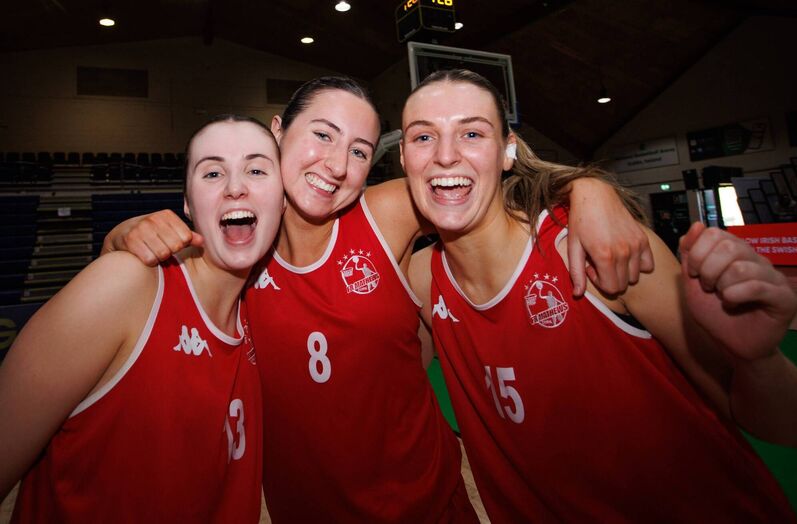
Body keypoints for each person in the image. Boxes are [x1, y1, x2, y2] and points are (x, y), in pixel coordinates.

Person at [103, 76, 655, 522]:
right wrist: (124, 235)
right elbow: (145, 276)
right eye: (321, 135)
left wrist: (589, 189)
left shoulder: (383, 212)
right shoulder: (235, 246)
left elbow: (480, 183)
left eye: (360, 150)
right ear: (277, 132)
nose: (338, 165)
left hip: (431, 505)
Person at [403, 69, 797, 522]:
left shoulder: (601, 250)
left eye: (471, 132)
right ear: (403, 157)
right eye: (423, 137)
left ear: (508, 150)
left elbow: (784, 424)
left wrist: (758, 361)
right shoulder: (421, 279)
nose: (446, 156)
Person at [0, 115, 285, 522]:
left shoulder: (261, 313)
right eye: (212, 172)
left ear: (283, 199)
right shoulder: (128, 284)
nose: (235, 186)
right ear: (187, 202)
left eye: (256, 170)